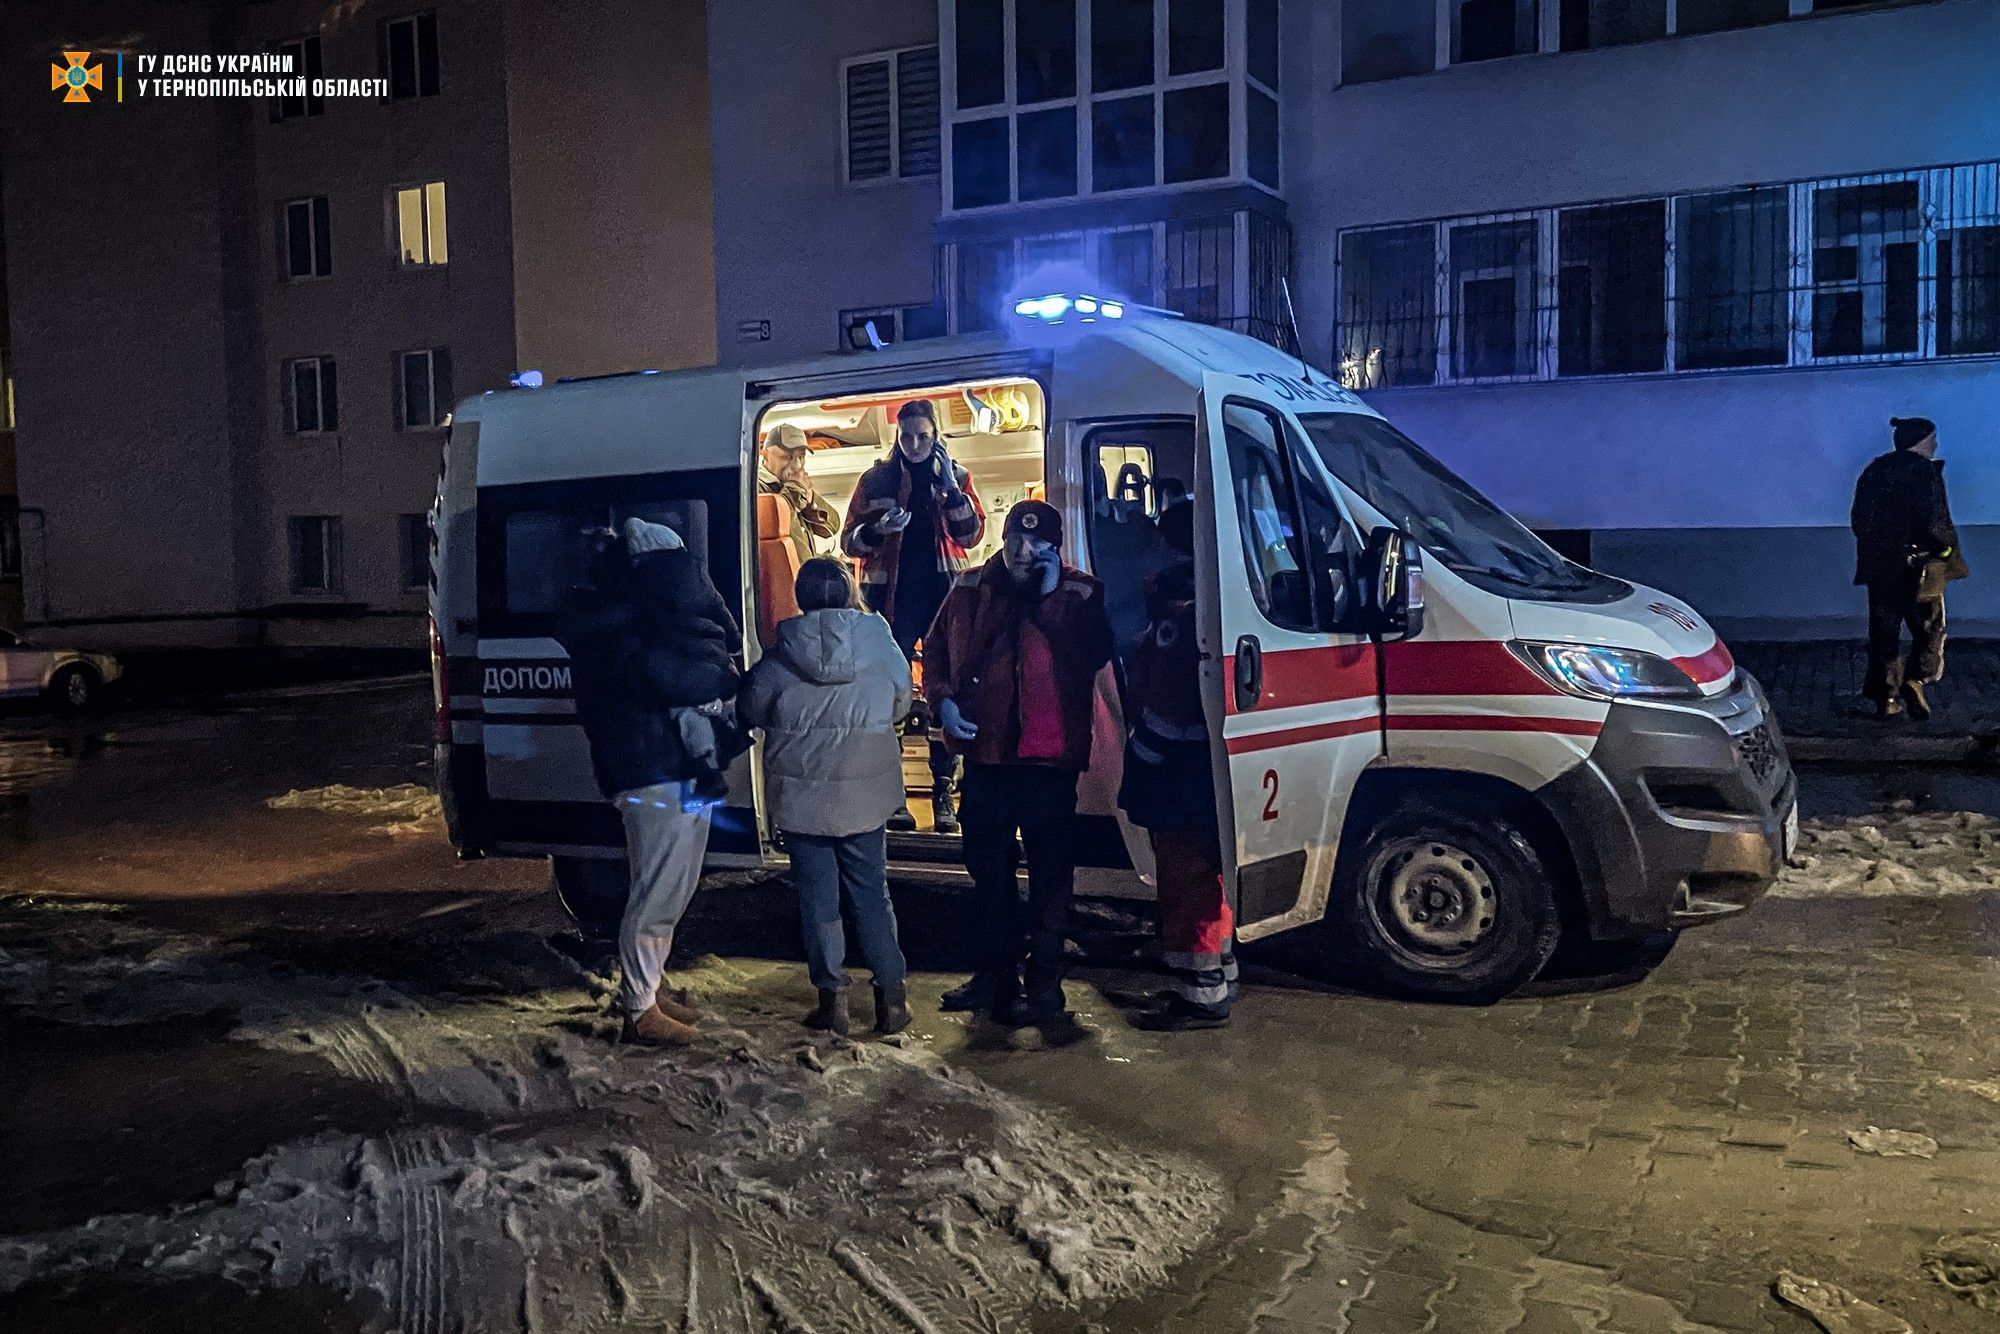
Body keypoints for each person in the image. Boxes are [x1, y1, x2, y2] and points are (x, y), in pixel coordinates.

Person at [556, 517, 746, 1046]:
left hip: (672, 768)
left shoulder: (634, 622)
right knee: (656, 891)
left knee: (672, 887)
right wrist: (722, 677)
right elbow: (693, 678)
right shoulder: (615, 630)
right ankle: (640, 1010)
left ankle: (649, 989)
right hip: (650, 770)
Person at [923, 500, 1114, 1026]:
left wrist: (1049, 599)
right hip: (986, 758)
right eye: (1013, 540)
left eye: (1035, 543)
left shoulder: (1080, 592)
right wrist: (942, 700)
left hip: (1048, 762)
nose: (1022, 551)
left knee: (1050, 876)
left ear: (1054, 548)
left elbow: (1092, 656)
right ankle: (994, 977)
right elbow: (935, 648)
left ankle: (1045, 984)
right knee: (988, 873)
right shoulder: (967, 586)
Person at [738, 557, 914, 1037]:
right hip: (865, 795)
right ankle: (891, 1002)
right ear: (850, 592)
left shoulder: (781, 655)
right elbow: (901, 703)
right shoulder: (881, 644)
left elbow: (751, 708)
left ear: (801, 596)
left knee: (818, 902)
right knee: (872, 897)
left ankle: (832, 1003)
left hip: (802, 800)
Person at [1117, 500, 1237, 1029]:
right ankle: (1219, 970)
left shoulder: (1180, 613)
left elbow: (1169, 698)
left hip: (1176, 769)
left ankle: (1201, 993)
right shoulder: (1212, 600)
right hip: (1201, 767)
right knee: (1209, 874)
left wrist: (1143, 751)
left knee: (1187, 876)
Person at [841, 399, 987, 834]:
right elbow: (849, 541)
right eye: (908, 436)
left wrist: (953, 494)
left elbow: (971, 535)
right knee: (890, 697)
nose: (915, 444)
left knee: (945, 692)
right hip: (890, 601)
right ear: (898, 437)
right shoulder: (875, 480)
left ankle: (943, 792)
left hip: (944, 599)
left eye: (923, 436)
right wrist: (878, 530)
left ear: (936, 436)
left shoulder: (956, 477)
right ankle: (894, 796)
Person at [1850, 416, 1969, 720]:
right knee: (1930, 629)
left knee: (1884, 634)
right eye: (1932, 439)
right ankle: (1916, 678)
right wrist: (1944, 549)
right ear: (1920, 441)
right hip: (1921, 568)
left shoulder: (1875, 471)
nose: (1935, 445)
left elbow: (1860, 520)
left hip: (1881, 568)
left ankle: (1886, 698)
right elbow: (1933, 518)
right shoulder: (1925, 473)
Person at [759, 422, 839, 564]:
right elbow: (777, 527)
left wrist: (810, 499)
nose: (797, 465)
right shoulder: (756, 488)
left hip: (803, 575)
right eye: (787, 457)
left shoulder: (794, 487)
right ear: (765, 455)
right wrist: (795, 490)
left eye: (801, 457)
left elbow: (831, 528)